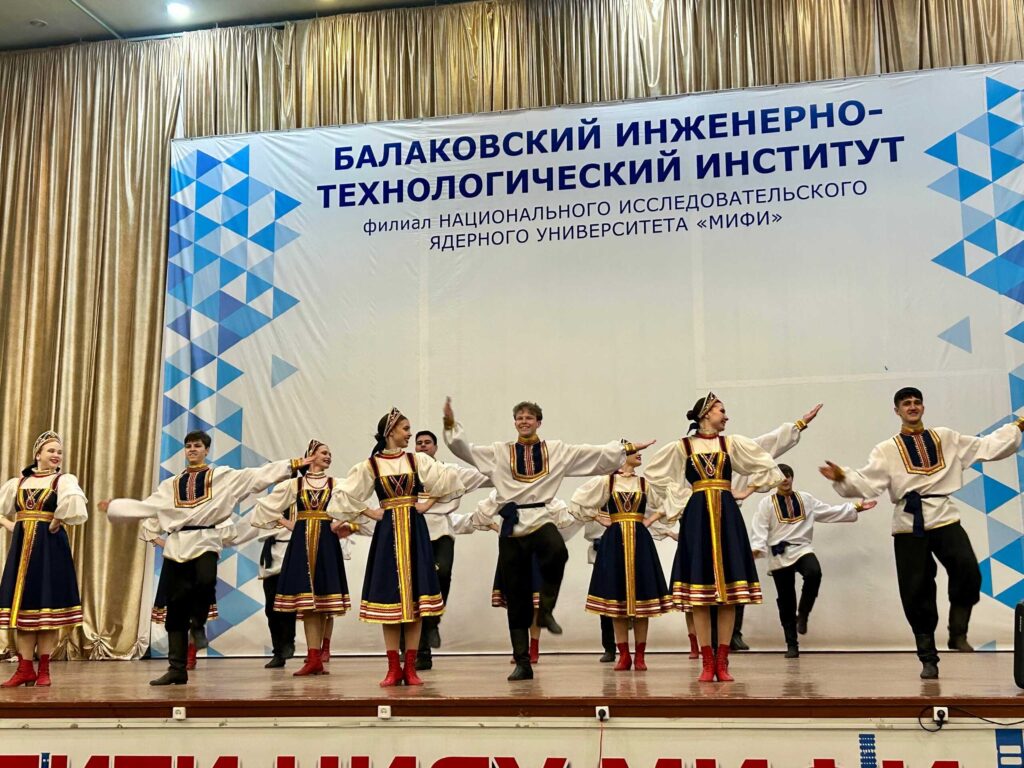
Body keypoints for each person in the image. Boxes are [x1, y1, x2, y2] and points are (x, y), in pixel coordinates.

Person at [819, 386, 1024, 679]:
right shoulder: (886, 449)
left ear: (923, 407)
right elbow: (868, 482)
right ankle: (928, 658)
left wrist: (1017, 426)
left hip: (943, 516)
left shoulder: (946, 437)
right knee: (916, 590)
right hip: (908, 523)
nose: (912, 407)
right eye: (906, 403)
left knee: (967, 569)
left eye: (916, 402)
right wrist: (842, 477)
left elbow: (985, 446)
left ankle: (958, 630)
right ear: (897, 411)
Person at [443, 396, 654, 681]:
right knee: (517, 596)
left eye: (529, 417)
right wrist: (450, 424)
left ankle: (546, 609)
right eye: (520, 418)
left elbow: (589, 454)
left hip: (542, 517)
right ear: (514, 422)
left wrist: (625, 448)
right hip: (512, 526)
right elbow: (466, 450)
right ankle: (522, 661)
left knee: (557, 551)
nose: (524, 422)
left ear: (538, 422)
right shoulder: (500, 452)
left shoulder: (556, 451)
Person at [102, 429, 310, 685]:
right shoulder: (170, 485)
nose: (192, 449)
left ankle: (198, 625)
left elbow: (255, 476)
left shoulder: (221, 477)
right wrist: (117, 506)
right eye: (188, 445)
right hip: (177, 544)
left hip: (206, 539)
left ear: (206, 450)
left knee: (205, 580)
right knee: (175, 606)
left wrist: (294, 464)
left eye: (197, 445)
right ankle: (177, 668)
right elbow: (149, 506)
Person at [645, 392, 783, 683]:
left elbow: (767, 465)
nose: (726, 416)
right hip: (697, 518)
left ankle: (723, 661)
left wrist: (747, 490)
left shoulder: (730, 444)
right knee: (699, 596)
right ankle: (707, 662)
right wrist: (682, 498)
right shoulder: (683, 447)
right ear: (706, 413)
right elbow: (655, 474)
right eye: (721, 410)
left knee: (729, 595)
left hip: (727, 516)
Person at [329, 408, 465, 686]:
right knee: (389, 601)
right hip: (388, 534)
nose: (409, 434)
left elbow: (449, 479)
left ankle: (411, 668)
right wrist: (370, 512)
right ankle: (393, 668)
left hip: (415, 531)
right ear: (390, 432)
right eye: (405, 429)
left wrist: (427, 503)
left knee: (416, 600)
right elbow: (343, 495)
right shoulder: (371, 465)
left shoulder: (417, 461)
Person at [250, 439, 364, 677]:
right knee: (308, 603)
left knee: (323, 601)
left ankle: (317, 656)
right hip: (301, 543)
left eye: (330, 453)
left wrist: (343, 523)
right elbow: (265, 507)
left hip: (325, 543)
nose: (328, 456)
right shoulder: (295, 485)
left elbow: (356, 502)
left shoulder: (336, 484)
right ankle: (313, 659)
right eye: (324, 452)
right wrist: (286, 522)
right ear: (311, 455)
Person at [750, 463, 874, 657]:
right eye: (780, 476)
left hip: (802, 548)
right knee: (786, 599)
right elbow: (760, 527)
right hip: (779, 553)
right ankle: (792, 644)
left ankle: (803, 614)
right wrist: (757, 548)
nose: (785, 479)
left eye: (788, 475)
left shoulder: (805, 499)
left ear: (792, 478)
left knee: (814, 573)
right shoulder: (766, 504)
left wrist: (857, 507)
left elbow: (828, 511)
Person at [570, 448, 674, 671]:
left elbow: (669, 501)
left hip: (640, 541)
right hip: (614, 541)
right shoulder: (607, 482)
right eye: (634, 451)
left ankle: (640, 656)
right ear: (620, 456)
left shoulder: (644, 483)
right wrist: (599, 517)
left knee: (642, 600)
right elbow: (578, 499)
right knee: (616, 601)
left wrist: (649, 520)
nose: (640, 454)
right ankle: (624, 655)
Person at [0, 431, 88, 687]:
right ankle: (25, 669)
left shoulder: (63, 481)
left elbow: (74, 504)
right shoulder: (18, 483)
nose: (56, 455)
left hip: (49, 549)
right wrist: (9, 524)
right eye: (51, 450)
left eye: (59, 451)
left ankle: (45, 670)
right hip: (22, 551)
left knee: (47, 611)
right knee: (24, 612)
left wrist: (58, 518)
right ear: (37, 454)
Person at [412, 429, 490, 670]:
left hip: (442, 533)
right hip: (413, 533)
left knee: (442, 573)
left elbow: (486, 475)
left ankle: (434, 621)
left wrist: (513, 473)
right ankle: (420, 651)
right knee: (415, 590)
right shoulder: (406, 472)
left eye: (427, 442)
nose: (423, 446)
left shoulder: (450, 471)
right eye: (419, 442)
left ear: (435, 447)